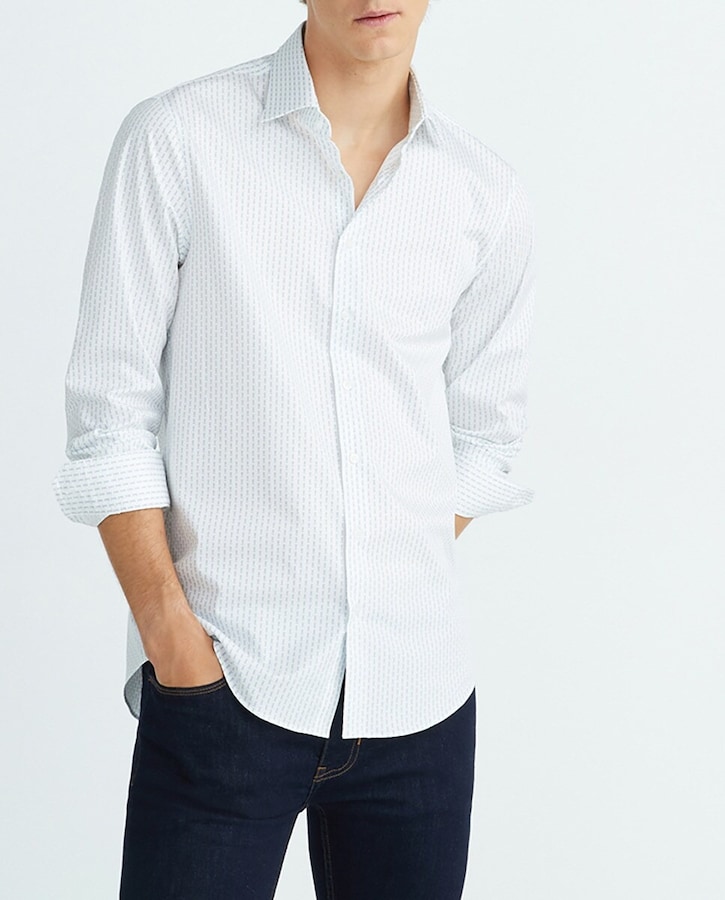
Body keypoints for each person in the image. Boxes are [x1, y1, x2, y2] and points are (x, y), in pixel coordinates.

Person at [52, 1, 537, 897]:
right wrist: (173, 642)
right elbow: (108, 416)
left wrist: (378, 565)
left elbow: (484, 438)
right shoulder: (179, 139)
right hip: (224, 684)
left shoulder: (482, 191)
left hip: (418, 698)